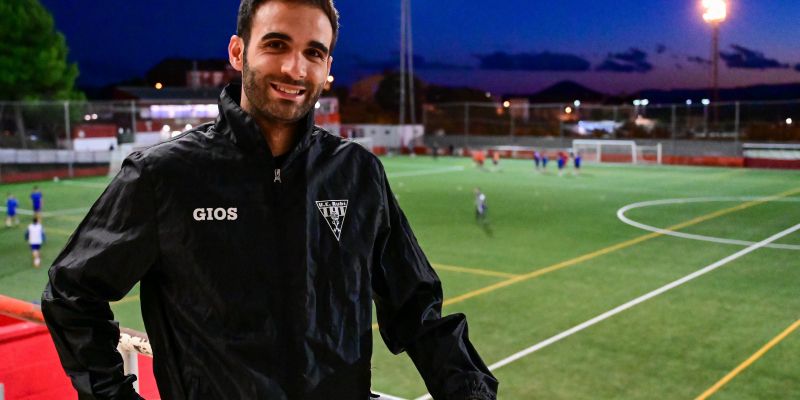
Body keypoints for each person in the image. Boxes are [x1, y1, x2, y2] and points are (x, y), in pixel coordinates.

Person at [41, 1, 498, 399]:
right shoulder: (164, 175)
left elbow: (417, 309)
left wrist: (471, 391)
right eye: (276, 44)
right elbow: (71, 294)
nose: (295, 69)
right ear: (238, 52)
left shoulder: (358, 175)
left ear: (327, 66)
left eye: (313, 53)